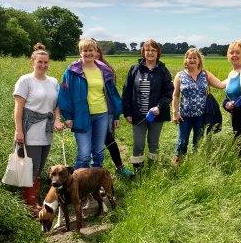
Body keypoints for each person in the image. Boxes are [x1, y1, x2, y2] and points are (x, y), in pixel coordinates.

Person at [13, 43, 64, 215]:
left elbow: (57, 105)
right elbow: (18, 108)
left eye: (46, 62)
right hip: (31, 130)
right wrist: (19, 131)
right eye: (39, 62)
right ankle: (31, 205)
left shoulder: (53, 81)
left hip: (47, 130)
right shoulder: (25, 80)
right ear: (32, 62)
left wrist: (57, 119)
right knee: (31, 168)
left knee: (39, 168)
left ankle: (34, 201)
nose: (43, 65)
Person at [58, 38, 122, 169]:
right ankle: (77, 184)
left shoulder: (104, 69)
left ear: (96, 51)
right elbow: (65, 94)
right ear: (80, 52)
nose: (88, 53)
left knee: (98, 152)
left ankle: (95, 182)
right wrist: (68, 117)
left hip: (101, 115)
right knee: (84, 154)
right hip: (81, 116)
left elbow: (112, 94)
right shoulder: (72, 70)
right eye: (84, 50)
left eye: (91, 50)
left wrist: (116, 114)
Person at [122, 39, 173, 173]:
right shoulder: (134, 69)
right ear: (143, 52)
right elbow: (126, 91)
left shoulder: (163, 71)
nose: (150, 52)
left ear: (158, 53)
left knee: (153, 144)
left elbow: (168, 93)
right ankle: (138, 172)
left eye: (153, 50)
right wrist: (127, 112)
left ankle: (152, 170)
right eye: (147, 50)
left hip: (157, 115)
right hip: (138, 115)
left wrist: (159, 107)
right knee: (138, 144)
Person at [171, 47, 225, 165]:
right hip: (184, 116)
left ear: (199, 60)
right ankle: (177, 164)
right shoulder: (180, 76)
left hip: (201, 116)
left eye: (194, 58)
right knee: (182, 141)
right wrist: (175, 113)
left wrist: (235, 75)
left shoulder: (205, 74)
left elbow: (221, 85)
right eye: (189, 58)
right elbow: (175, 95)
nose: (192, 60)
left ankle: (195, 164)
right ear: (186, 60)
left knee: (198, 141)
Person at [92, 39, 133, 178]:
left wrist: (116, 115)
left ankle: (118, 168)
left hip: (106, 112)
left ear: (99, 52)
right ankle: (94, 173)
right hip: (87, 114)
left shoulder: (107, 69)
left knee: (109, 140)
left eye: (96, 50)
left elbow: (114, 95)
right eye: (90, 50)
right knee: (93, 144)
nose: (94, 54)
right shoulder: (79, 70)